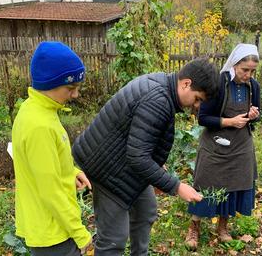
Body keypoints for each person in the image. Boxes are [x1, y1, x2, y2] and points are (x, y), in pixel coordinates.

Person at [71, 58, 220, 256]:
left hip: (121, 162)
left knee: (146, 211)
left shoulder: (162, 86)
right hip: (105, 169)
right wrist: (176, 186)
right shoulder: (158, 100)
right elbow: (138, 157)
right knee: (113, 238)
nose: (197, 106)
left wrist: (156, 167)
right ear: (186, 84)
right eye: (198, 99)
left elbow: (139, 140)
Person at [12, 41, 92, 256]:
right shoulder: (40, 125)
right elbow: (50, 191)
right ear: (50, 83)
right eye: (70, 88)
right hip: (53, 232)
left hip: (51, 225)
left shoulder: (37, 110)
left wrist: (72, 172)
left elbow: (46, 164)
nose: (75, 95)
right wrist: (81, 235)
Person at [184, 44, 261, 249]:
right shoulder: (218, 84)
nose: (248, 75)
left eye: (252, 71)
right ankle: (194, 227)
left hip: (241, 144)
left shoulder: (253, 87)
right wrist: (229, 122)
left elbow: (255, 116)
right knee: (205, 182)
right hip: (215, 143)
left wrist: (254, 116)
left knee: (234, 184)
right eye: (245, 70)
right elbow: (203, 118)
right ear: (235, 65)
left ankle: (223, 227)